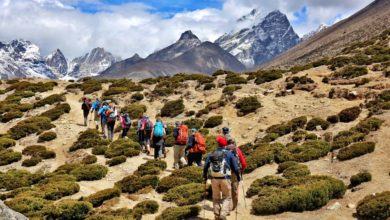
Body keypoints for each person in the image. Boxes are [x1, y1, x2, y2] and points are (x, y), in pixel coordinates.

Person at [203, 136, 241, 220]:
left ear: (218, 144)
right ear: (225, 145)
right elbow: (235, 167)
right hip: (225, 178)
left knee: (216, 198)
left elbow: (205, 166)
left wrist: (205, 176)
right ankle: (223, 214)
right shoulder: (229, 153)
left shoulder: (212, 153)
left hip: (214, 178)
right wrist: (238, 177)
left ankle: (217, 215)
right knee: (227, 197)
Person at [225, 130, 247, 211]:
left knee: (227, 189)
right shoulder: (237, 150)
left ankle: (227, 206)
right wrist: (241, 170)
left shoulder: (224, 150)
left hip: (225, 173)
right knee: (234, 189)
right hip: (235, 172)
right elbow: (243, 163)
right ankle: (234, 205)